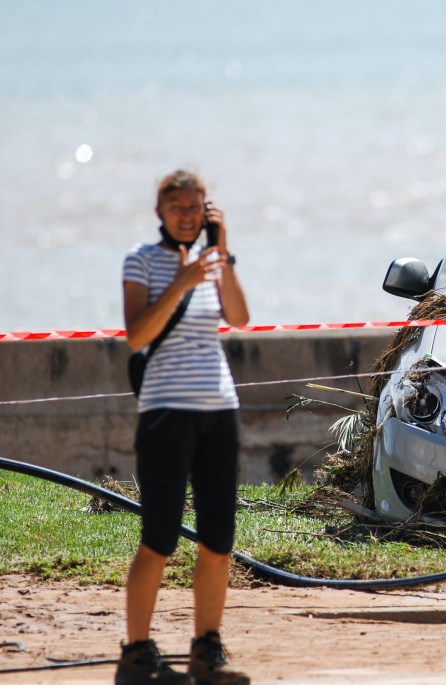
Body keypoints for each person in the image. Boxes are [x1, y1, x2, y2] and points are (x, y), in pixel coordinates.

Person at [116, 170, 250, 685]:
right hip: (165, 413)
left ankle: (206, 648)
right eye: (178, 207)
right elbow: (136, 335)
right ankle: (136, 652)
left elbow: (238, 317)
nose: (188, 216)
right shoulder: (141, 260)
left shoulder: (213, 264)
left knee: (218, 540)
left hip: (219, 409)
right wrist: (181, 281)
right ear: (160, 213)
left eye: (196, 207)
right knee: (160, 535)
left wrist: (224, 251)